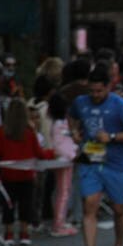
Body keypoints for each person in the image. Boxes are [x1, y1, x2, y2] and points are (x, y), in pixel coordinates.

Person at [69, 63, 123, 246]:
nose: (95, 95)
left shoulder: (121, 106)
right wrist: (74, 131)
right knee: (89, 204)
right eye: (92, 91)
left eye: (100, 91)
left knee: (119, 208)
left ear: (109, 87)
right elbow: (72, 116)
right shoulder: (80, 102)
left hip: (115, 163)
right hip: (90, 160)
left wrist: (111, 137)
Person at [0, 98, 55, 246]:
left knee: (8, 204)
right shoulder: (29, 132)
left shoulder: (1, 131)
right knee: (26, 203)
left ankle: (8, 233)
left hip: (7, 173)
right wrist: (52, 153)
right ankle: (24, 232)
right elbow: (38, 153)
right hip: (26, 174)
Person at [47, 93, 78, 236]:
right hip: (65, 160)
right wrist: (73, 154)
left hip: (61, 159)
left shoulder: (56, 123)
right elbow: (61, 144)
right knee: (64, 192)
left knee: (61, 191)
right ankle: (59, 224)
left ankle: (60, 219)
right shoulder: (60, 125)